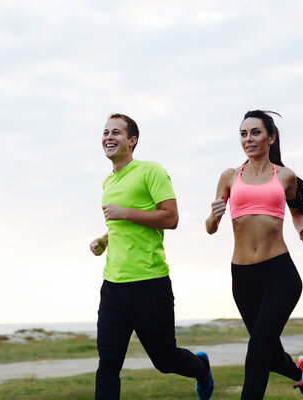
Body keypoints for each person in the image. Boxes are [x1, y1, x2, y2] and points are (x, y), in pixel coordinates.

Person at [90, 113, 214, 400]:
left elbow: (171, 218)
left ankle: (201, 368)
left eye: (116, 132)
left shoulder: (151, 171)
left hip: (150, 283)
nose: (109, 137)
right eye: (105, 132)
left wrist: (125, 213)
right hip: (113, 286)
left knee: (165, 360)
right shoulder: (108, 182)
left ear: (132, 141)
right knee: (107, 365)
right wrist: (104, 240)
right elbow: (120, 226)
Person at [205, 110, 303, 400]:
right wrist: (215, 216)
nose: (248, 139)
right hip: (243, 276)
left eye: (255, 132)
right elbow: (209, 228)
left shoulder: (285, 176)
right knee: (268, 354)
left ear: (271, 137)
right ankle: (302, 375)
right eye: (243, 134)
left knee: (256, 352)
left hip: (279, 274)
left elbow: (297, 214)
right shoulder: (230, 176)